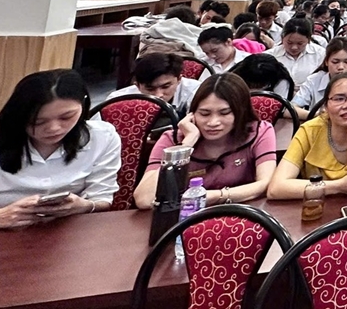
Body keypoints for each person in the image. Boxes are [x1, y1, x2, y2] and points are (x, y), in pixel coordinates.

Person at [0, 70, 120, 229]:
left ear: (83, 104)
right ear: (19, 117)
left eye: (66, 117)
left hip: (72, 234)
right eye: (38, 121)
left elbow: (102, 199)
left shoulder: (102, 137)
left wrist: (83, 206)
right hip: (0, 236)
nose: (54, 128)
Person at [132, 73, 276, 209]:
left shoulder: (258, 131)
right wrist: (186, 145)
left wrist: (216, 196)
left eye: (224, 113)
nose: (213, 122)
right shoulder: (172, 139)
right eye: (204, 114)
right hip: (184, 219)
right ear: (192, 113)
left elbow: (266, 184)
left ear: (241, 112)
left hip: (242, 216)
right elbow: (144, 199)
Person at [267, 71, 347, 198]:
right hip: (321, 203)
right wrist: (338, 186)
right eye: (339, 99)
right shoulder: (310, 130)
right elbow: (276, 188)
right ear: (326, 105)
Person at [106, 53, 199, 110]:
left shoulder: (196, 91)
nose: (158, 95)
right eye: (150, 89)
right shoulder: (117, 101)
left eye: (166, 86)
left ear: (179, 79)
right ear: (137, 85)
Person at [294, 37, 347, 111]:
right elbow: (292, 108)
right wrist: (318, 115)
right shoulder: (313, 81)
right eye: (335, 62)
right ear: (326, 61)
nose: (341, 67)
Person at [267, 19, 327, 86]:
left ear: (309, 39)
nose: (294, 47)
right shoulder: (270, 56)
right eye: (289, 43)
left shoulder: (320, 54)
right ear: (282, 38)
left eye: (300, 43)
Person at [232, 52, 296, 103]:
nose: (253, 89)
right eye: (250, 85)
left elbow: (279, 106)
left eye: (257, 86)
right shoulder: (239, 71)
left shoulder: (281, 80)